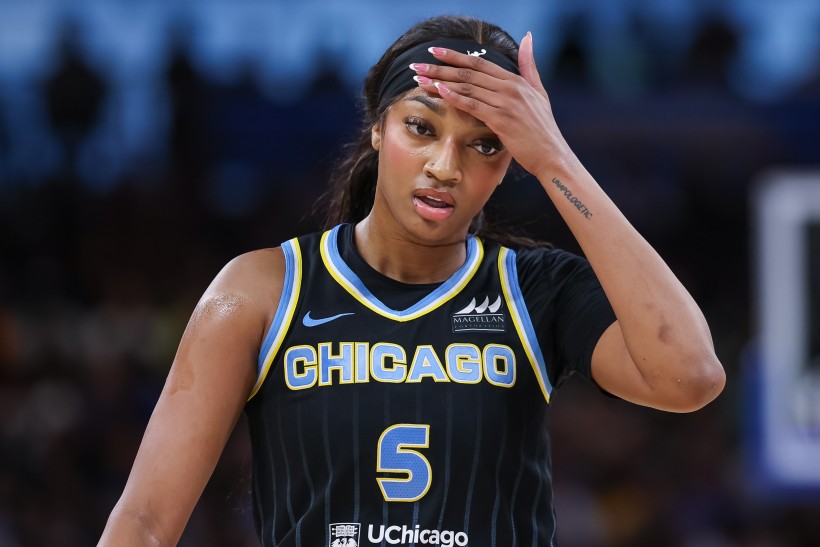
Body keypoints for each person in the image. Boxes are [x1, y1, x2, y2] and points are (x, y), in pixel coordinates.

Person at [98, 14, 725, 547]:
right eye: (421, 128)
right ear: (377, 128)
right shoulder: (264, 289)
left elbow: (690, 374)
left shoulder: (534, 290)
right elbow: (146, 521)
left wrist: (554, 155)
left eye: (485, 145)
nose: (445, 167)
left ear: (510, 162)